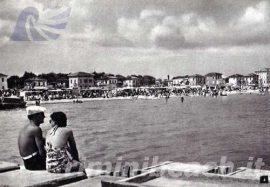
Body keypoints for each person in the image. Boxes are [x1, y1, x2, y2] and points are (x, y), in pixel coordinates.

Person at [18, 106, 47, 170]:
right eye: (42, 114)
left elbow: (43, 141)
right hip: (34, 163)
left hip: (27, 162)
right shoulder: (36, 129)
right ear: (36, 116)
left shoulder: (27, 127)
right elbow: (42, 152)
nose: (44, 116)